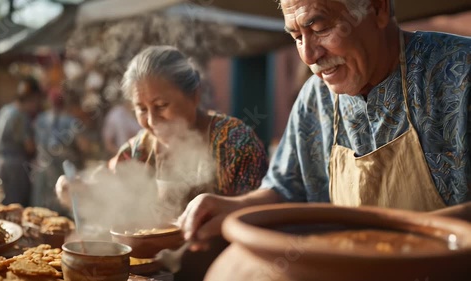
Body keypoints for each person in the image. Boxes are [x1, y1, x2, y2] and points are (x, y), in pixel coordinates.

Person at [178, 0, 471, 251]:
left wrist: (400, 237)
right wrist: (233, 207)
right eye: (296, 37)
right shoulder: (315, 98)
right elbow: (286, 192)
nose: (308, 55)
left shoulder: (460, 74)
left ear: (378, 8)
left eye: (320, 29)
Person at [56, 45, 268, 217]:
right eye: (141, 109)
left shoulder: (236, 144)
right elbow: (107, 184)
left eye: (161, 106)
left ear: (194, 96)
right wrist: (79, 190)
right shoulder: (141, 148)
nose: (151, 120)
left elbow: (259, 215)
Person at [31, 87, 88, 214]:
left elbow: (35, 144)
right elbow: (84, 145)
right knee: (64, 214)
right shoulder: (71, 121)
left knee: (42, 214)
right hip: (64, 173)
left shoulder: (40, 119)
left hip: (44, 170)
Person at [0, 77, 42, 206]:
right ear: (32, 98)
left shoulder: (5, 110)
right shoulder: (19, 116)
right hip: (14, 169)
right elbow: (29, 147)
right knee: (12, 209)